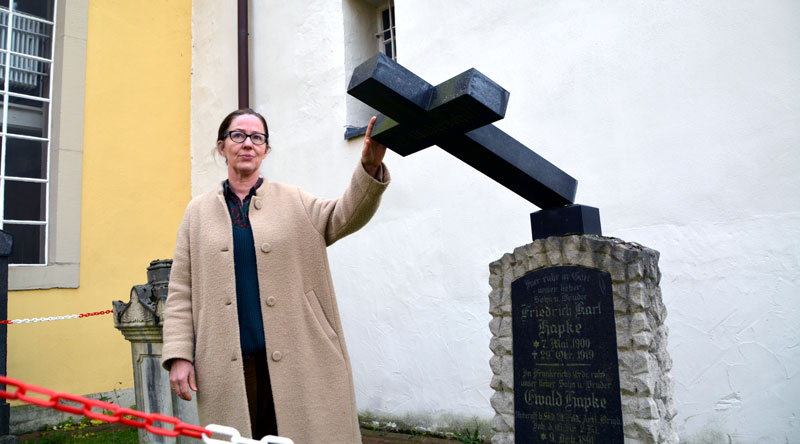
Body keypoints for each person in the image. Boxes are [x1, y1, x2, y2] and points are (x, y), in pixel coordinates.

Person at [161, 108, 389, 443]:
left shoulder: (295, 200)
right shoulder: (197, 213)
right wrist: (179, 354)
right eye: (238, 135)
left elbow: (345, 215)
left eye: (257, 137)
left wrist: (368, 166)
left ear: (266, 150)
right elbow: (181, 289)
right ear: (222, 146)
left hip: (298, 359)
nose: (248, 144)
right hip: (227, 367)